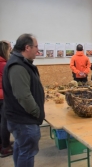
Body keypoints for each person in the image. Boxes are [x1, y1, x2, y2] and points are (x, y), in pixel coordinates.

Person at [3, 34, 45, 167]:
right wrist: (36, 112)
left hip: (21, 119)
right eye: (36, 47)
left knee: (21, 149)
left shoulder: (20, 63)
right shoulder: (18, 66)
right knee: (27, 152)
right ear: (27, 47)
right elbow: (23, 96)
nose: (38, 50)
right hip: (24, 120)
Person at [0, 41, 13, 157]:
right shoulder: (4, 64)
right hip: (3, 96)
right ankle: (5, 147)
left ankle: (3, 143)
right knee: (5, 122)